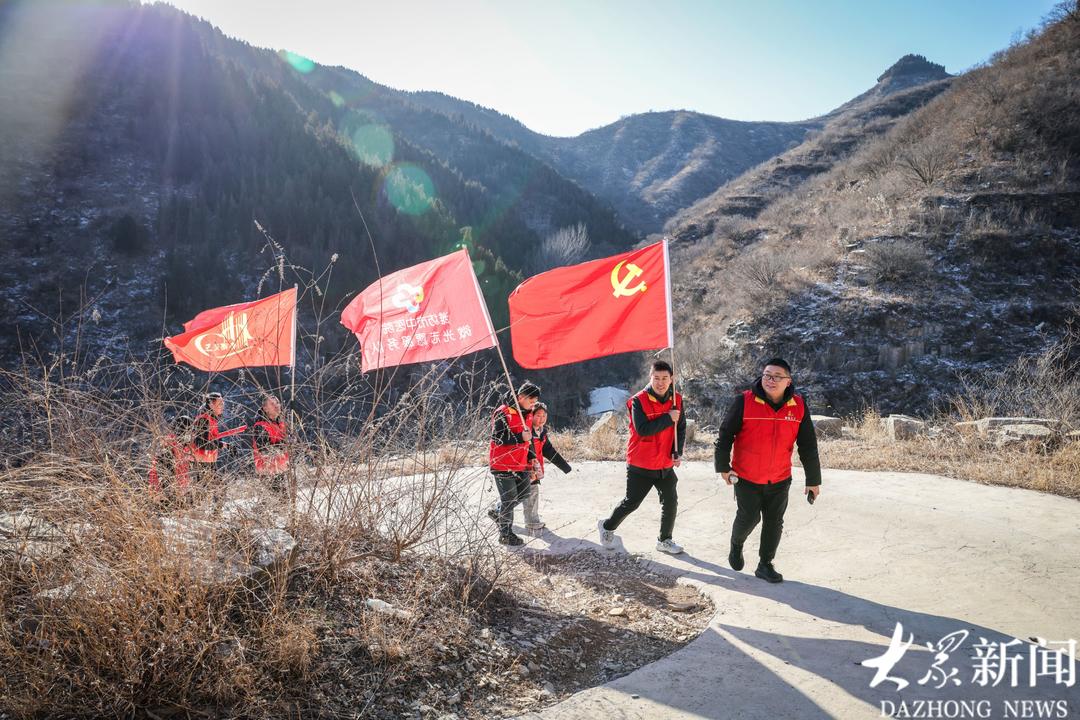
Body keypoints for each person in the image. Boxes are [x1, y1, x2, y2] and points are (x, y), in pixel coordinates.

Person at [714, 357, 821, 583]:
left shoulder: (798, 406)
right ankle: (736, 544)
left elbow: (808, 445)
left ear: (788, 381)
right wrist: (723, 467)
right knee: (749, 518)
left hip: (780, 478)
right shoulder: (744, 401)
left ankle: (765, 564)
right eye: (767, 375)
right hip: (746, 477)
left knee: (774, 522)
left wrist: (813, 480)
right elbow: (725, 435)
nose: (771, 380)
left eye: (777, 377)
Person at [598, 360, 687, 555]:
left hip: (664, 463)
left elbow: (680, 428)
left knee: (670, 501)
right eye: (657, 378)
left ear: (671, 379)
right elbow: (643, 429)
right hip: (641, 463)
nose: (660, 382)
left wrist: (677, 451)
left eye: (665, 378)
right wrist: (668, 417)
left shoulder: (677, 400)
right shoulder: (638, 401)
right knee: (632, 502)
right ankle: (607, 526)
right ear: (650, 377)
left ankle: (665, 540)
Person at [488, 381, 541, 546]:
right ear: (520, 397)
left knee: (524, 493)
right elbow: (497, 437)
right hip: (502, 463)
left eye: (535, 401)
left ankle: (499, 511)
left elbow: (528, 438)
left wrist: (532, 457)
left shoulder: (528, 413)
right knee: (509, 500)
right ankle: (505, 535)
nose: (533, 404)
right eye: (531, 401)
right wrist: (519, 438)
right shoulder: (503, 412)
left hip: (521, 463)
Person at [520, 402, 572, 532]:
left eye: (544, 416)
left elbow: (549, 451)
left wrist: (565, 467)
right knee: (525, 493)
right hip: (524, 468)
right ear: (531, 416)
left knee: (526, 493)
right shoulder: (527, 431)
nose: (541, 419)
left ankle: (500, 511)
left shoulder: (541, 432)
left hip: (534, 468)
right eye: (538, 415)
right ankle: (531, 521)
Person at [190, 392, 246, 507]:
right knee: (216, 489)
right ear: (211, 404)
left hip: (208, 462)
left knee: (205, 492)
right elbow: (201, 443)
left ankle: (202, 513)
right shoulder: (203, 419)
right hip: (201, 463)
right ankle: (209, 514)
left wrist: (227, 445)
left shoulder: (211, 419)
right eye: (220, 403)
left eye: (223, 403)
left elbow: (212, 440)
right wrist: (221, 445)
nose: (222, 406)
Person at [251, 394, 291, 503]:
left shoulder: (281, 423)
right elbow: (264, 450)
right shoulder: (260, 426)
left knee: (275, 502)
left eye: (277, 403)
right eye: (272, 404)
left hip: (280, 468)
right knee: (280, 502)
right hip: (267, 471)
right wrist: (285, 444)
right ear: (265, 408)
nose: (277, 405)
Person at [148, 415, 193, 508]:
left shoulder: (181, 445)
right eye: (189, 430)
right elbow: (163, 471)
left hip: (179, 489)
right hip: (166, 493)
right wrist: (170, 493)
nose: (191, 434)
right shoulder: (169, 445)